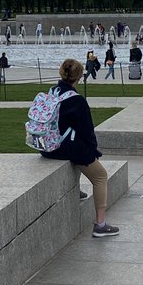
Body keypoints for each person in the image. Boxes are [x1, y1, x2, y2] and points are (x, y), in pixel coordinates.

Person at [39, 58, 119, 238]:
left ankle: (75, 190)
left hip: (47, 145)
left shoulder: (53, 91)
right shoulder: (77, 101)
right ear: (79, 77)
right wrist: (94, 152)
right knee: (100, 175)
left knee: (82, 153)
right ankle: (101, 224)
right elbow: (87, 132)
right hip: (63, 146)